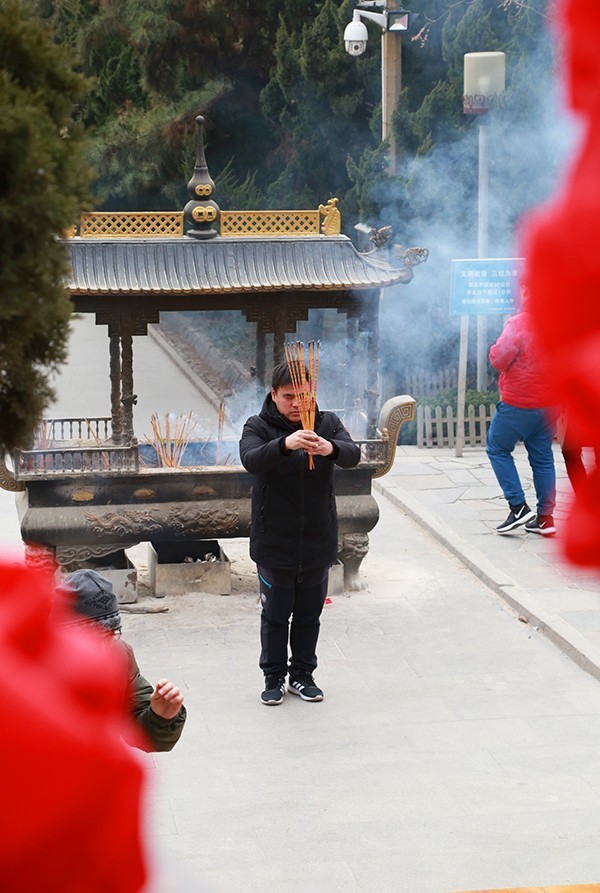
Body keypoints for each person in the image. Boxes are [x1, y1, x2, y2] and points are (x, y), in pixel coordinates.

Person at [239, 360, 361, 705]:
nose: (297, 404)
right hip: (275, 541)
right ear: (274, 394)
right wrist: (286, 444)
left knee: (309, 615)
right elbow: (251, 458)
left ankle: (303, 676)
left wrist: (330, 448)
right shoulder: (259, 425)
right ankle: (273, 676)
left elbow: (353, 454)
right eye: (289, 396)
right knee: (276, 615)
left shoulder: (328, 423)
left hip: (317, 539)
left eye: (304, 396)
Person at [56, 569, 187, 751]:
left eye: (111, 634)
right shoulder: (27, 667)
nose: (103, 648)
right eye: (94, 639)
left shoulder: (119, 655)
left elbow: (136, 730)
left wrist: (159, 718)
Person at [486, 282, 559, 536]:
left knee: (497, 448)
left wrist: (494, 347)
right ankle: (545, 518)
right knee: (542, 457)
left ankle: (518, 507)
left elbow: (499, 358)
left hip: (519, 402)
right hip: (550, 404)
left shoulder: (519, 323)